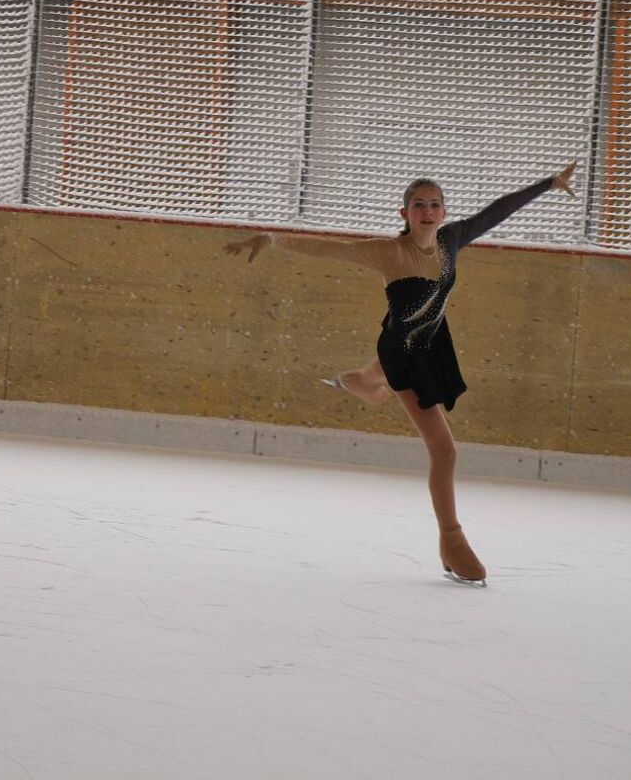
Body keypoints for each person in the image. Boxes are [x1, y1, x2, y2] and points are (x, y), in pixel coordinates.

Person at [225, 162, 579, 586]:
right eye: (418, 205)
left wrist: (548, 184)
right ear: (404, 213)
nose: (427, 212)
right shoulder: (387, 252)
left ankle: (358, 382)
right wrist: (271, 238)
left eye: (434, 205)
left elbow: (496, 211)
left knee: (372, 381)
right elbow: (329, 248)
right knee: (444, 451)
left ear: (444, 212)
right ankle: (451, 540)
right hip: (402, 355)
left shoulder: (451, 240)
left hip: (431, 344)